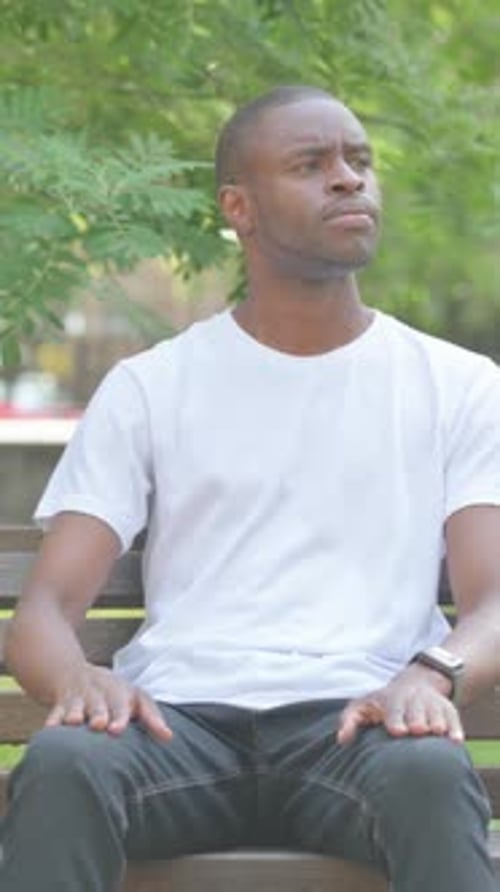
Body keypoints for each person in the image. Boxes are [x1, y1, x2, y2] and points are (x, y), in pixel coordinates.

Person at [2, 84, 500, 892]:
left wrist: (432, 673)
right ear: (239, 207)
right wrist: (78, 680)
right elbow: (44, 615)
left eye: (359, 161)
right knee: (64, 763)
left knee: (431, 776)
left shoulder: (459, 385)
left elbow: (493, 603)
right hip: (177, 730)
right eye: (312, 164)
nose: (349, 180)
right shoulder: (151, 387)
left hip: (356, 727)